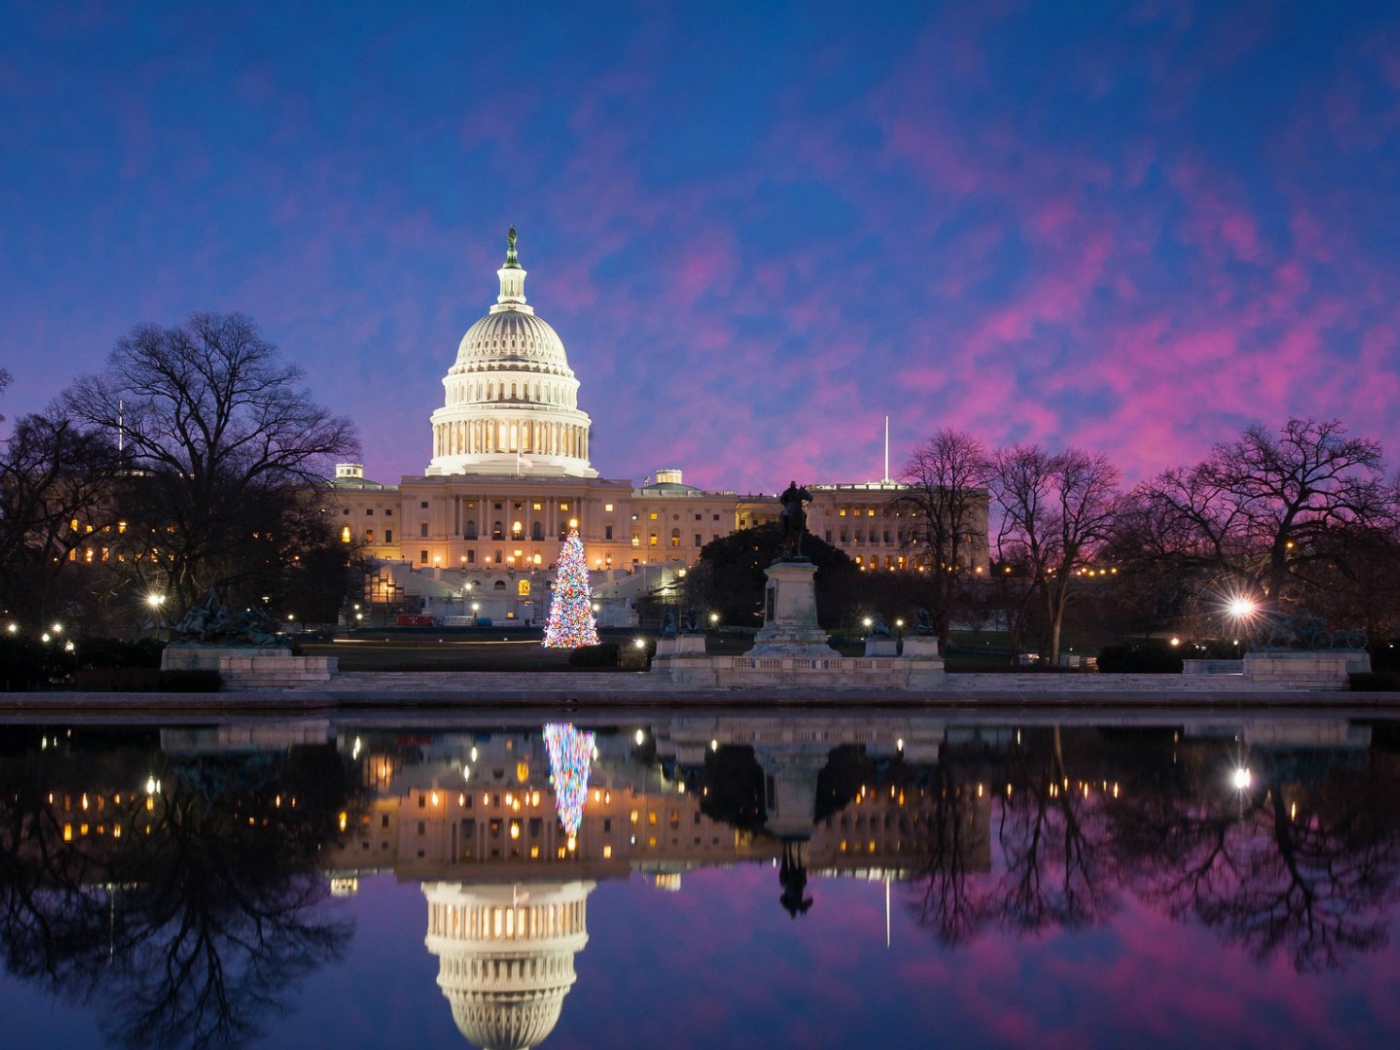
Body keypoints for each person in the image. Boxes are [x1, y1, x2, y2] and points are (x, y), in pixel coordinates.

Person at [778, 481, 813, 560]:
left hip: (796, 506)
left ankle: (803, 526)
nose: (793, 486)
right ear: (791, 486)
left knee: (804, 514)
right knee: (785, 514)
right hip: (789, 506)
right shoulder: (787, 492)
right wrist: (786, 504)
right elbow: (781, 499)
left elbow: (803, 496)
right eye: (792, 485)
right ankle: (785, 526)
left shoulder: (798, 492)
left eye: (794, 485)